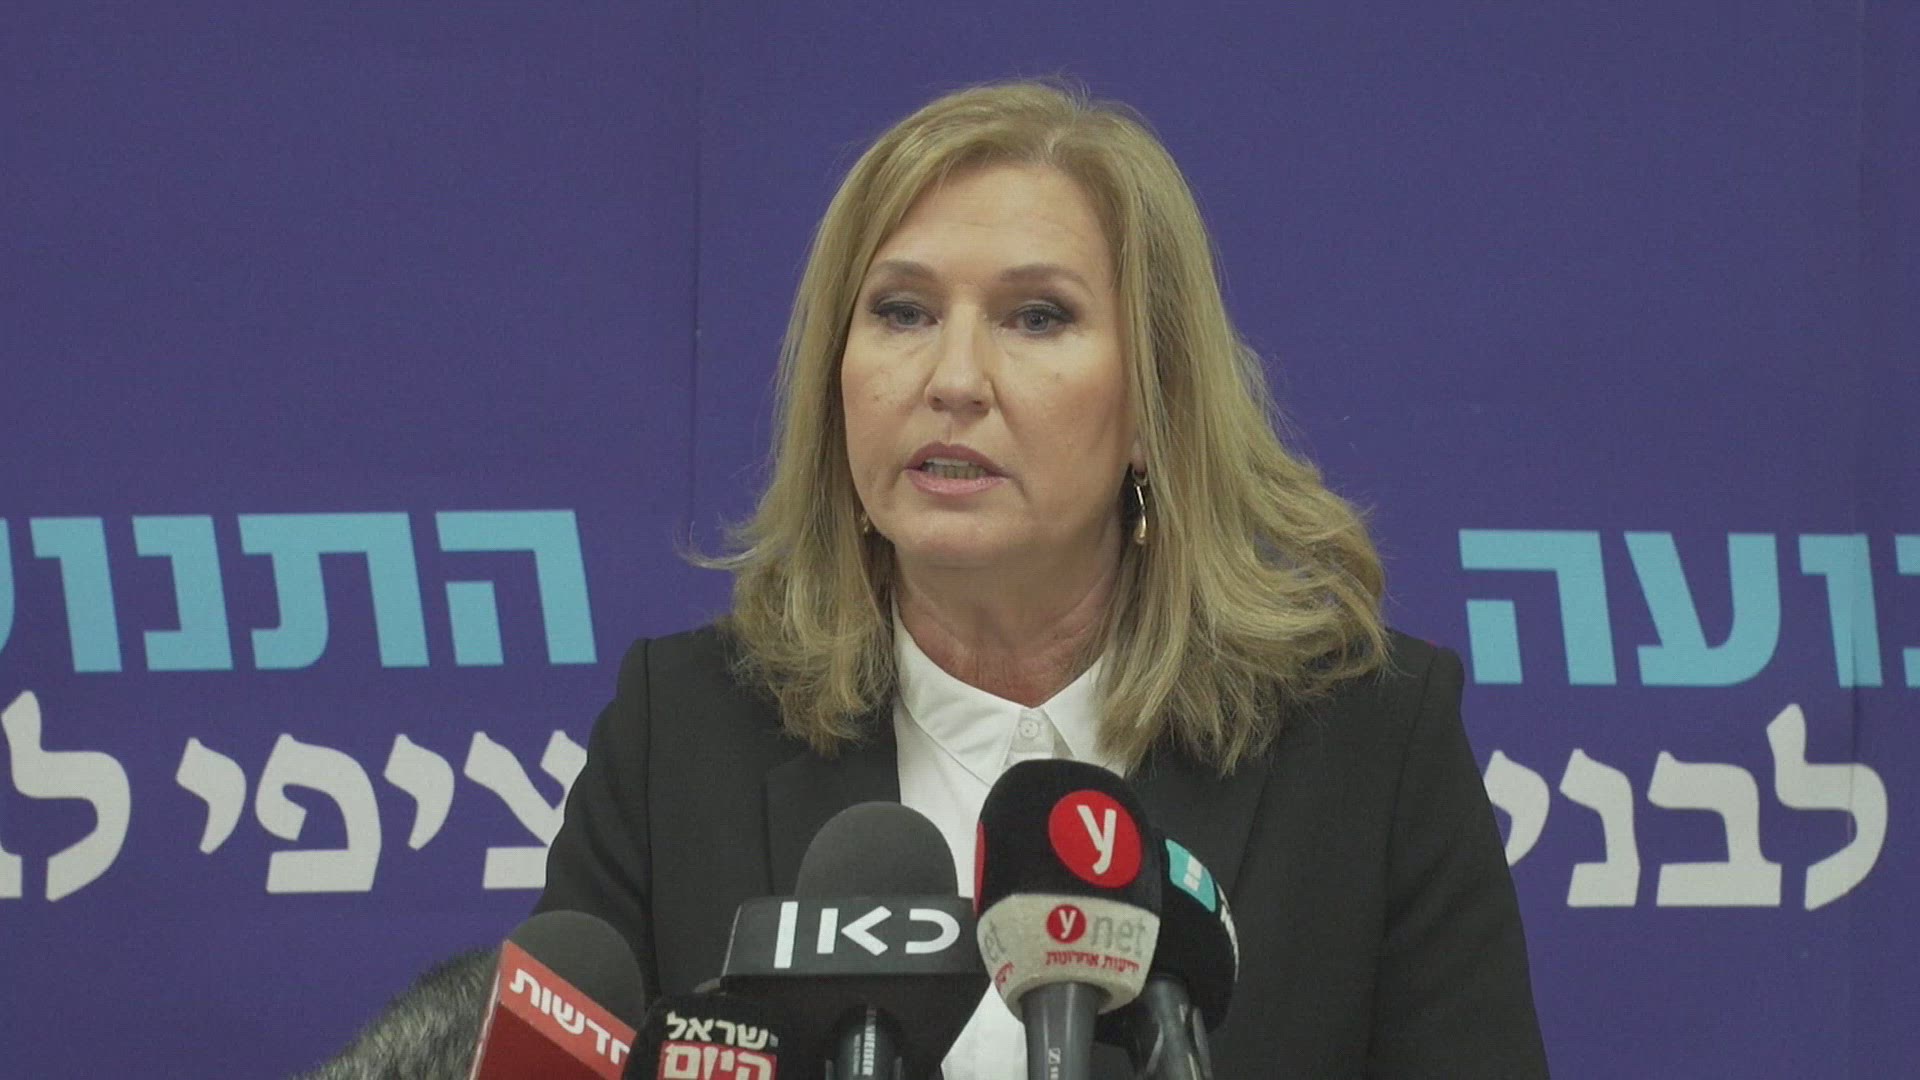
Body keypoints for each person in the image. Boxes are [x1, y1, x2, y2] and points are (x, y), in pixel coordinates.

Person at [535, 80, 1550, 1078]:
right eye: (902, 311)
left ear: (1154, 403)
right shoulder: (680, 737)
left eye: (1035, 317)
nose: (954, 379)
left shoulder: (1368, 748)